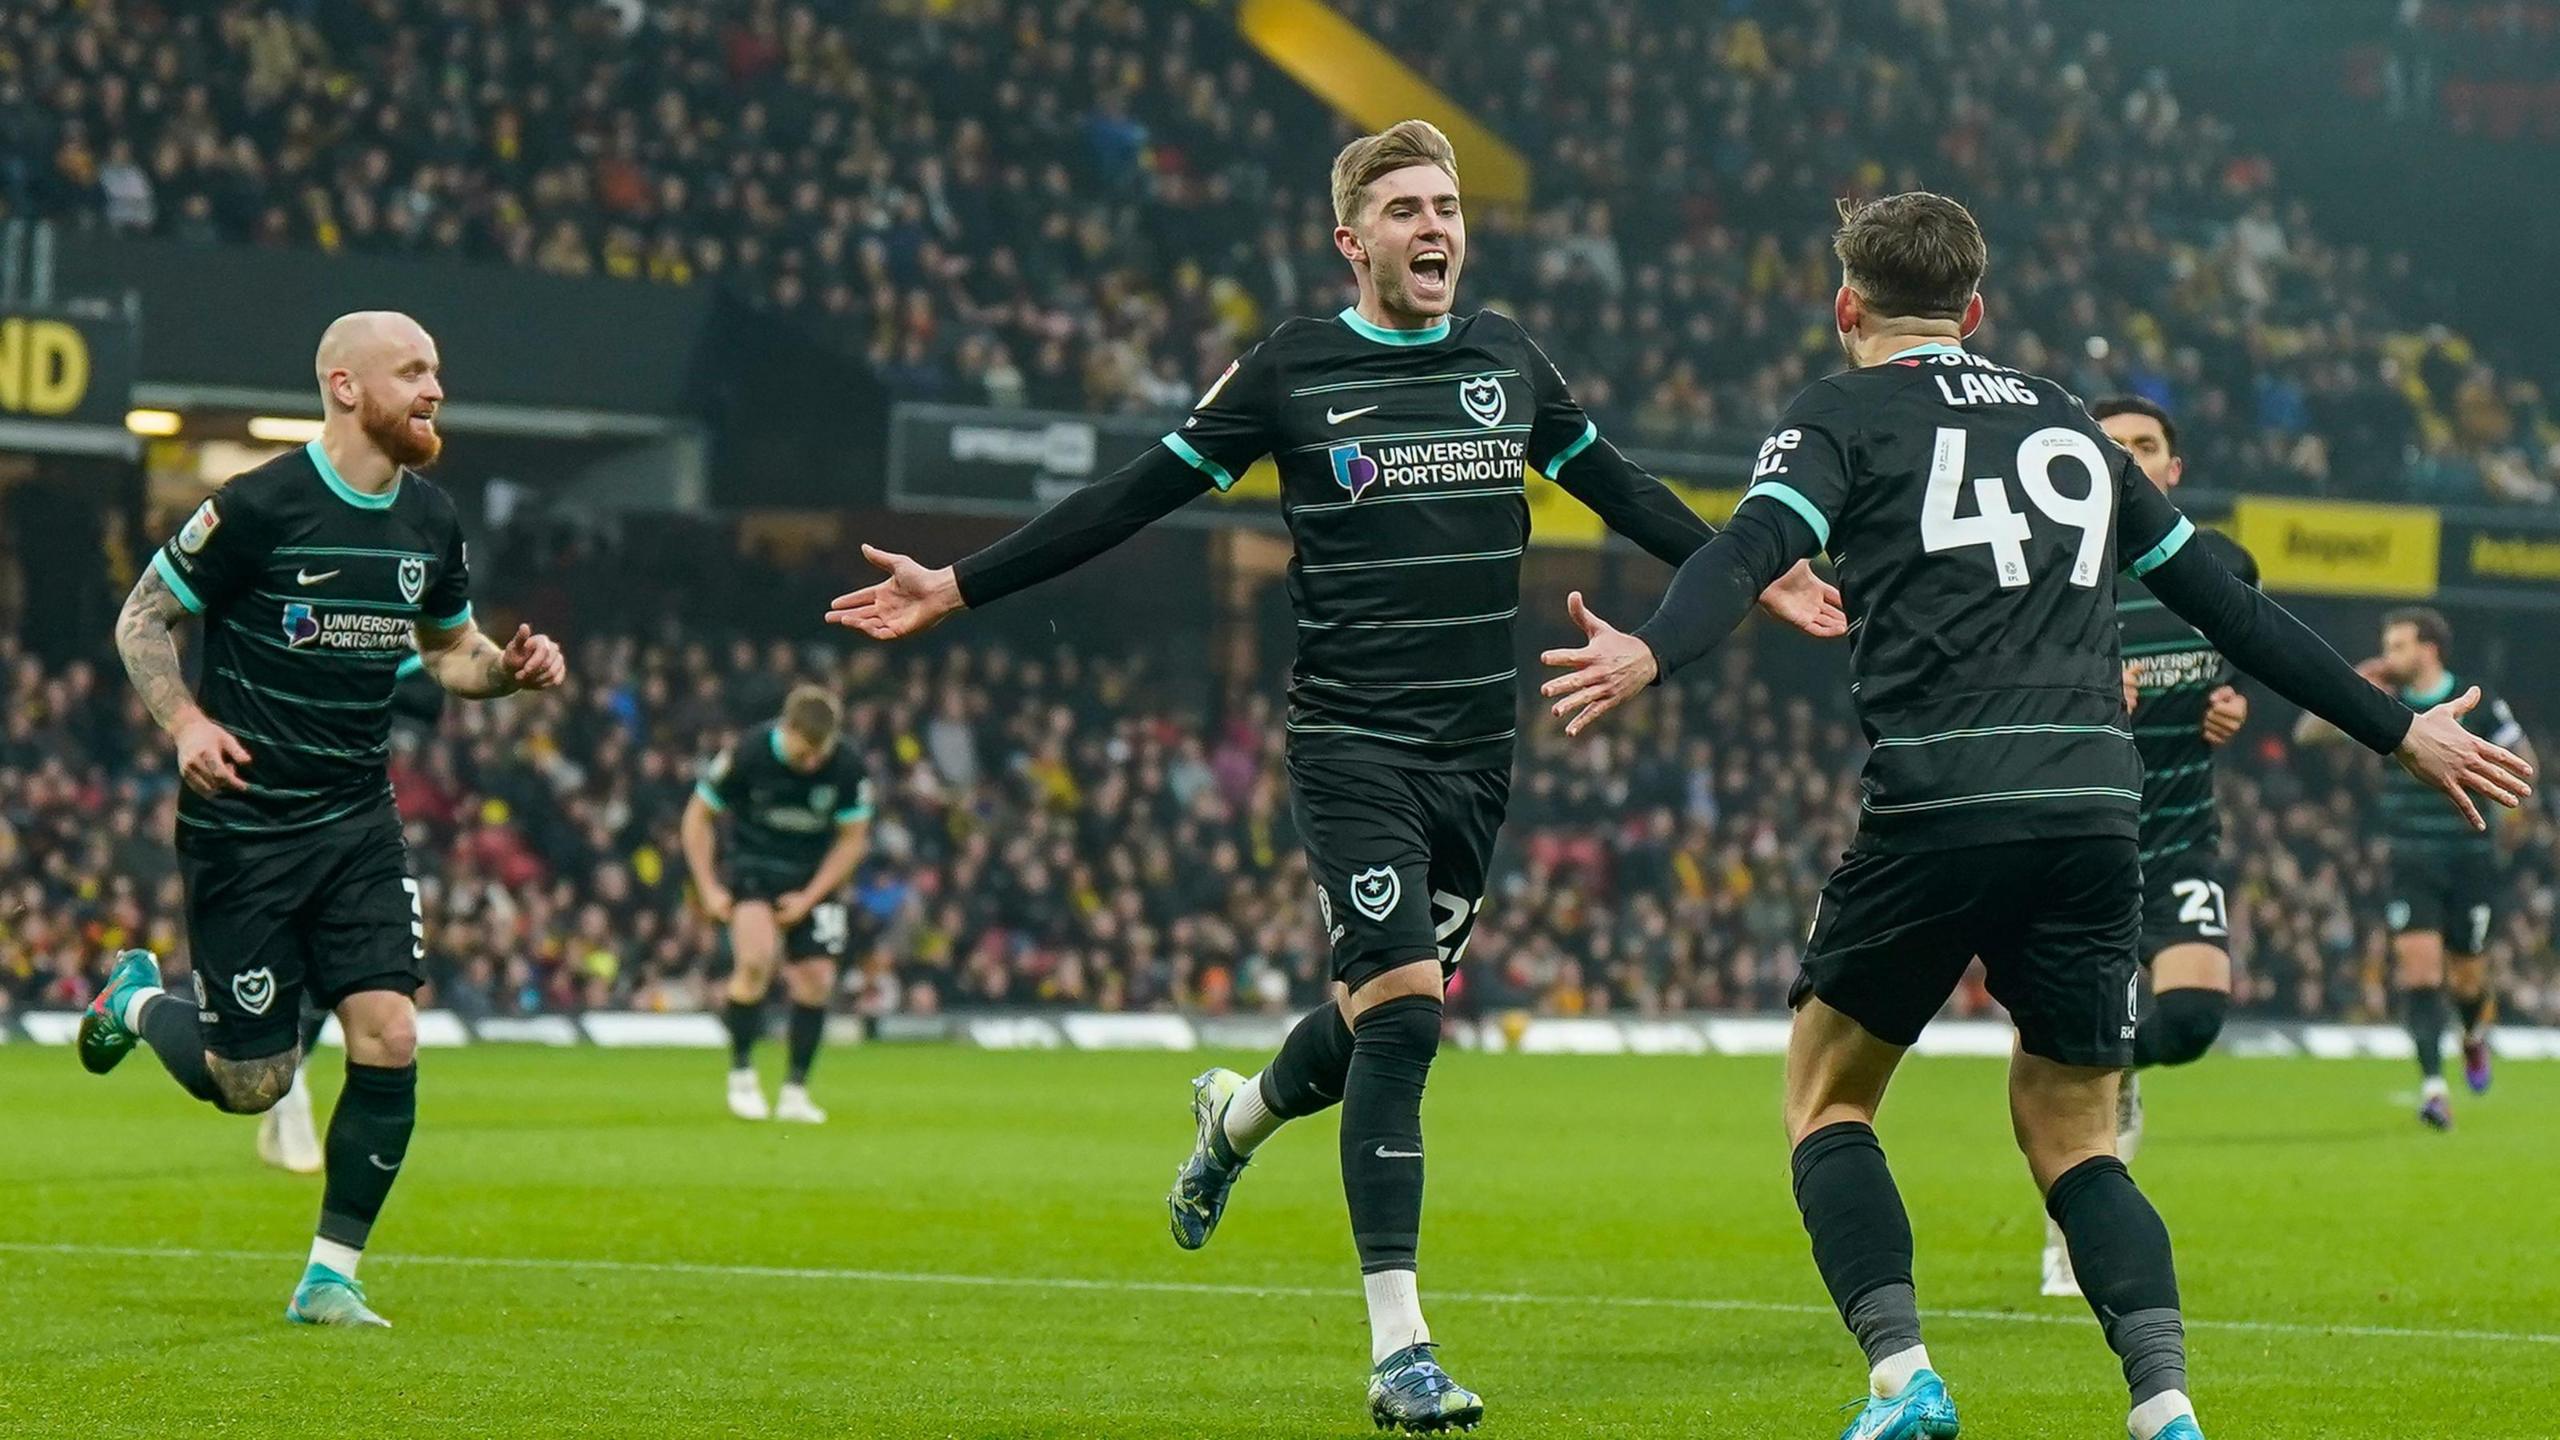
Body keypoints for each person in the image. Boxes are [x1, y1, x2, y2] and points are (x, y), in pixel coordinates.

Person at [826, 119, 1843, 1433]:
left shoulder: (1508, 360)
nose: (1437, 230)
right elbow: (1132, 495)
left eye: (1450, 207)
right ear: (1350, 240)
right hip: (1351, 745)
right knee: (1409, 1020)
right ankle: (1400, 1348)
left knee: (1376, 1016)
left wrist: (1752, 575)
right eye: (1409, 210)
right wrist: (960, 586)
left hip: (1479, 756)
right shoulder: (1292, 370)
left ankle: (1231, 1121)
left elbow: (1626, 491)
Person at [1540, 193, 2531, 1440]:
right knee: (2078, 1139)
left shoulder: (1837, 414)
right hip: (2092, 810)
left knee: (1828, 1101)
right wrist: (2402, 728)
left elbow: (1747, 553)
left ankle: (1903, 1383)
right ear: (1976, 310)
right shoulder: (2068, 419)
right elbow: (2232, 612)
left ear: (1846, 308)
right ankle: (2164, 1405)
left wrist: (1648, 652)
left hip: (1942, 793)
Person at [78, 311, 569, 1327]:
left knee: (389, 1032)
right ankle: (134, 1001)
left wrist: (508, 673)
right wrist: (183, 723)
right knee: (249, 1083)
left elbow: (448, 652)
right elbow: (141, 618)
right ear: (345, 386)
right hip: (244, 827)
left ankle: (329, 1276)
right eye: (415, 371)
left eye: (438, 370)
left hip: (356, 819)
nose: (436, 389)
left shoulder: (431, 519)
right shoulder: (258, 506)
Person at [2036, 396, 2256, 1297]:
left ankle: (2117, 1058)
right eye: (2110, 446)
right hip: (2085, 847)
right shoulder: (2058, 572)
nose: (2127, 457)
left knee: (2193, 1022)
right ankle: (2063, 1249)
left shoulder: (2221, 568)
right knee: (2088, 1059)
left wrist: (2237, 708)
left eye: (2144, 446)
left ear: (2173, 469)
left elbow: (2245, 667)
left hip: (2179, 840)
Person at [2296, 607, 2534, 1129]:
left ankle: (2473, 1037)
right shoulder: (2387, 701)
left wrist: (2516, 826)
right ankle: (2433, 1088)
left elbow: (2523, 759)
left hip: (2470, 858)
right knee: (2420, 973)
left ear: (2429, 648)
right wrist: (2353, 684)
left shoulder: (2478, 699)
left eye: (2398, 646)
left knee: (2468, 980)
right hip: (2411, 857)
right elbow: (2309, 734)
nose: (2389, 656)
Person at [679, 684, 872, 1123]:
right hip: (755, 869)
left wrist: (810, 896)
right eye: (806, 753)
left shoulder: (847, 765)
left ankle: (795, 1092)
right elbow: (697, 816)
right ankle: (742, 1075)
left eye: (819, 754)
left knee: (818, 980)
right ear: (787, 729)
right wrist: (708, 887)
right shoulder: (748, 753)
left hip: (813, 878)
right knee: (756, 963)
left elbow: (853, 839)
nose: (812, 763)